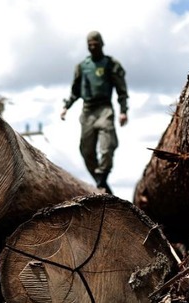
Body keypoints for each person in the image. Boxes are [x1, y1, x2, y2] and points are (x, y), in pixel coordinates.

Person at [60, 31, 128, 195]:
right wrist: (66, 107)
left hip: (105, 109)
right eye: (90, 45)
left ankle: (102, 177)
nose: (93, 47)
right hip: (87, 110)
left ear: (102, 44)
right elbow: (75, 91)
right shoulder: (82, 67)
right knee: (86, 150)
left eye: (95, 44)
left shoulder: (111, 64)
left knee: (107, 145)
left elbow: (121, 90)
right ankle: (100, 182)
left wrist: (123, 111)